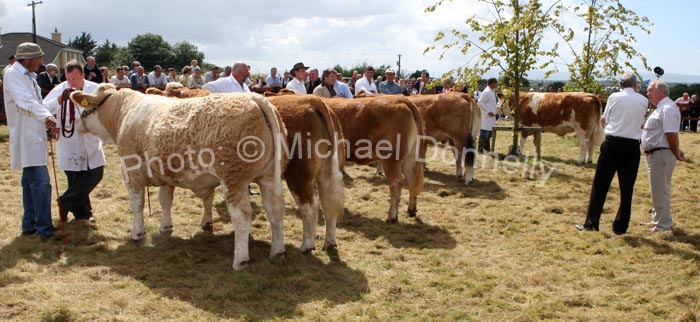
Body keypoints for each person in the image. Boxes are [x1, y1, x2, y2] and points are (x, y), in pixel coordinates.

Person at [576, 73, 648, 234]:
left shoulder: (614, 97)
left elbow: (605, 119)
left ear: (621, 85)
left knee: (600, 185)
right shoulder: (643, 100)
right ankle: (621, 225)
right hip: (632, 146)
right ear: (635, 85)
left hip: (613, 143)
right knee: (627, 187)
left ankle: (591, 222)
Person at [3, 42, 59, 241]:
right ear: (26, 59)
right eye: (38, 58)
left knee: (29, 183)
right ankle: (44, 229)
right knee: (42, 183)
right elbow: (25, 101)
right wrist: (47, 117)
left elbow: (38, 103)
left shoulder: (29, 76)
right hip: (26, 136)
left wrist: (51, 111)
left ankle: (29, 225)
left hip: (34, 134)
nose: (41, 62)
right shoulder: (13, 74)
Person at [44, 60, 105, 225]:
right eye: (68, 79)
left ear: (82, 76)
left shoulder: (95, 89)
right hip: (69, 140)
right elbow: (44, 108)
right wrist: (58, 101)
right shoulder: (60, 90)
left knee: (96, 172)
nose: (71, 83)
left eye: (75, 79)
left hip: (91, 139)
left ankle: (64, 202)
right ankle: (84, 215)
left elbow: (104, 107)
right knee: (75, 178)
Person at [640, 80, 685, 232]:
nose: (648, 93)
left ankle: (663, 225)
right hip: (657, 153)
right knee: (657, 189)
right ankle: (658, 219)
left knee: (660, 189)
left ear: (661, 91)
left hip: (661, 153)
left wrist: (676, 150)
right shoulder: (661, 107)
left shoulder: (667, 108)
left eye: (650, 90)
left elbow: (671, 133)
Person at [477, 78, 498, 153]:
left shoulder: (491, 91)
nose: (496, 85)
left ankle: (487, 149)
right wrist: (488, 111)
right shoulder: (486, 92)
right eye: (496, 83)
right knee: (484, 132)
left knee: (488, 133)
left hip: (491, 116)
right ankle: (481, 149)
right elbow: (480, 102)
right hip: (486, 116)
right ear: (492, 83)